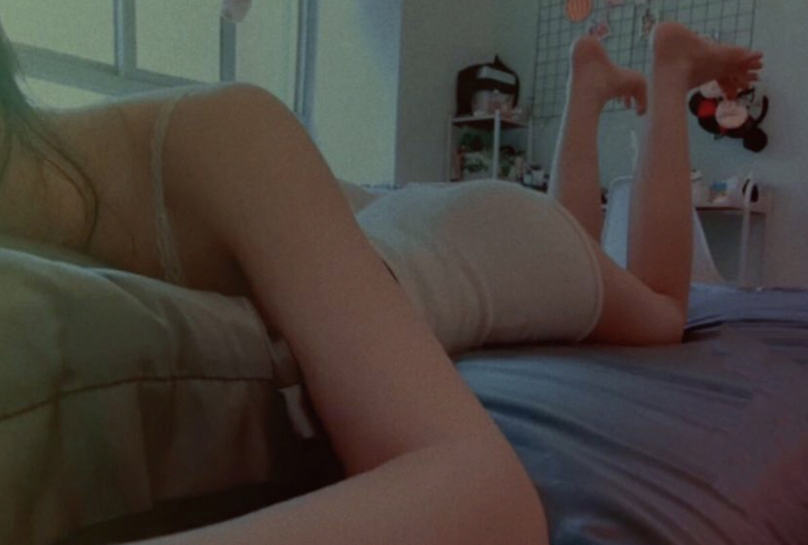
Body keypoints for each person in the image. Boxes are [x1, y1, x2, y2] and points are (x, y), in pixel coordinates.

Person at [0, 19, 761, 545]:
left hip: (486, 236)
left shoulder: (211, 132)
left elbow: (488, 502)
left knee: (658, 309)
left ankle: (668, 73)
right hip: (408, 221)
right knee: (575, 237)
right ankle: (589, 85)